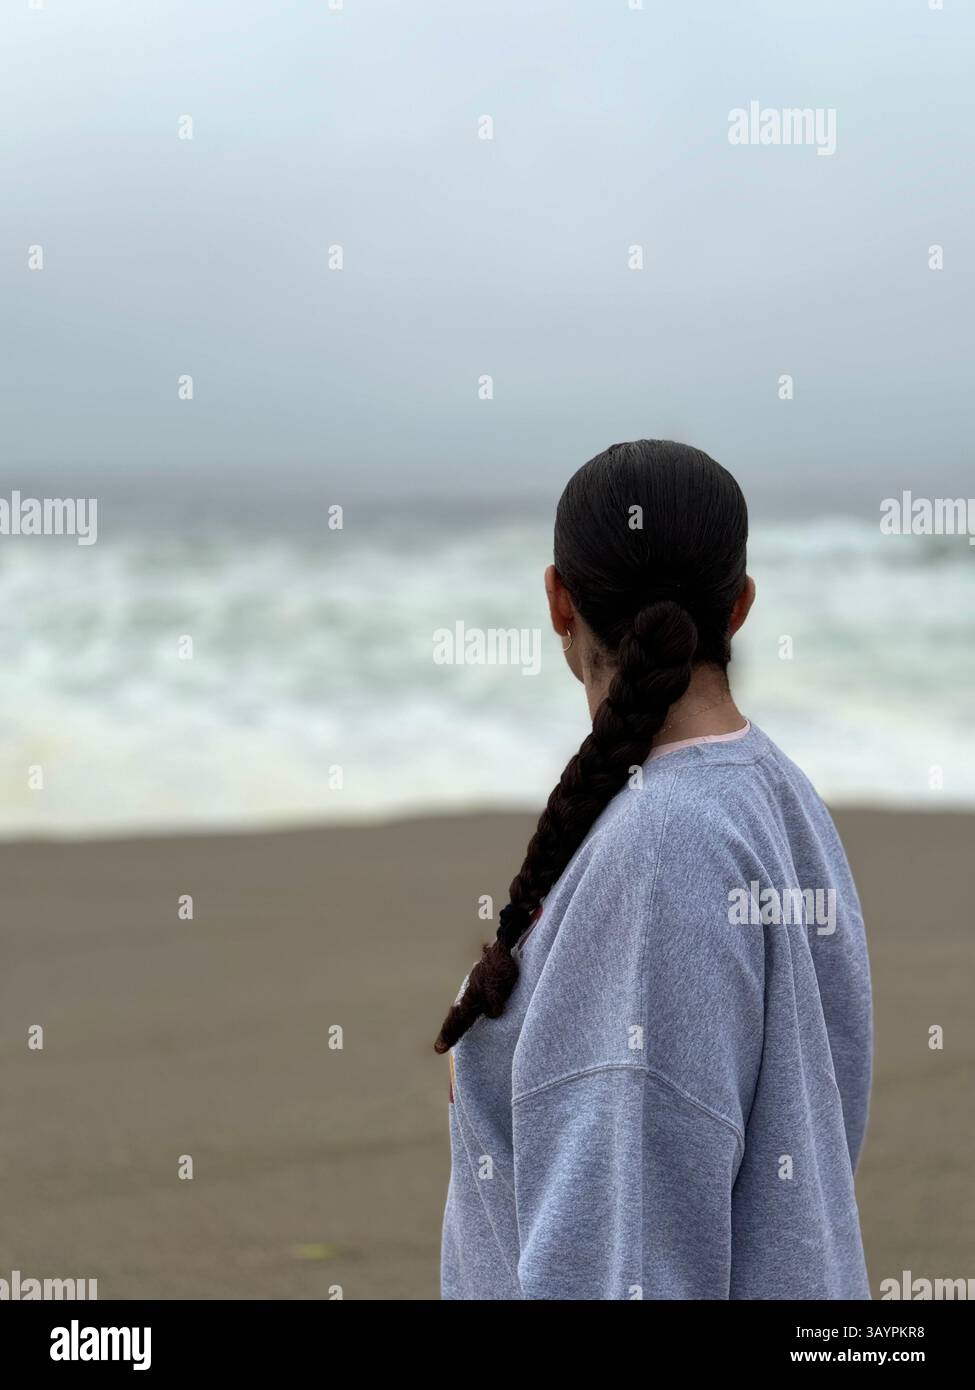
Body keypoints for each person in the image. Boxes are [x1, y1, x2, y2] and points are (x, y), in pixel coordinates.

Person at [435, 439, 872, 1300]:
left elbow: (622, 1262)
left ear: (558, 600)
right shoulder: (779, 798)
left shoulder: (657, 854)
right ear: (739, 606)